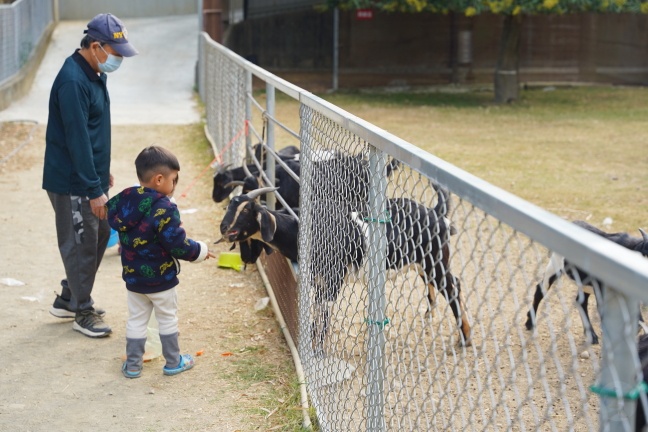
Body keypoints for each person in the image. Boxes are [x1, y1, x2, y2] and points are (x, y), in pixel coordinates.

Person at [43, 13, 138, 338]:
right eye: (116, 53)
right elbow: (76, 138)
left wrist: (101, 172)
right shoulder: (73, 81)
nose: (119, 60)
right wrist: (92, 188)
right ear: (96, 46)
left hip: (87, 175)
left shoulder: (95, 72)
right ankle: (82, 311)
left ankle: (69, 296)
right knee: (82, 242)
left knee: (98, 235)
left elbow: (93, 130)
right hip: (72, 181)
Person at [107, 146, 215, 378]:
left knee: (136, 320)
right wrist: (200, 251)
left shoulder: (126, 199)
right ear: (159, 179)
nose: (174, 185)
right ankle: (173, 362)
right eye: (173, 180)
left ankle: (133, 365)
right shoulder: (165, 209)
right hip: (162, 279)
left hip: (134, 278)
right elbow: (177, 244)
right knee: (167, 318)